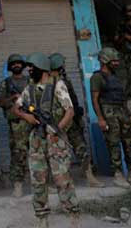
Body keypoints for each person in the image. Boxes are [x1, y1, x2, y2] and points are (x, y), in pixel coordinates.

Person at [12, 53, 79, 228]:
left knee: (62, 179)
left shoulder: (58, 85)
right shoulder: (30, 88)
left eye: (32, 68)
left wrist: (57, 130)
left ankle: (73, 216)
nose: (29, 70)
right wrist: (27, 117)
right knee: (38, 180)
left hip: (56, 140)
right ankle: (42, 218)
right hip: (37, 141)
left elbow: (69, 111)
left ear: (42, 68)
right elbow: (16, 108)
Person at [91, 48, 131, 188]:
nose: (117, 63)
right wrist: (101, 119)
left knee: (130, 142)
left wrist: (129, 115)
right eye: (114, 61)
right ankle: (118, 174)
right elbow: (95, 99)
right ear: (105, 61)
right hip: (109, 112)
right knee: (114, 144)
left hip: (122, 112)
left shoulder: (116, 76)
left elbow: (122, 97)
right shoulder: (97, 77)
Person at [48, 53, 103, 188]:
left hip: (71, 121)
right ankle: (57, 182)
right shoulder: (49, 83)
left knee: (81, 149)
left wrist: (77, 116)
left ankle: (89, 177)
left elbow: (73, 100)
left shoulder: (64, 81)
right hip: (59, 122)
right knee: (56, 153)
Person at [0, 53, 30, 198]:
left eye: (19, 63)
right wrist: (13, 98)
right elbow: (1, 102)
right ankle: (18, 185)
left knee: (38, 152)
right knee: (18, 155)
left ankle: (45, 183)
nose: (17, 65)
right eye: (14, 63)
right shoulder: (6, 83)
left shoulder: (30, 81)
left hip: (32, 121)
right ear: (10, 67)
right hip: (16, 124)